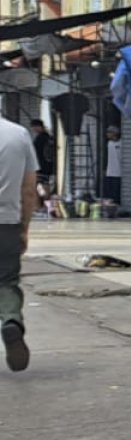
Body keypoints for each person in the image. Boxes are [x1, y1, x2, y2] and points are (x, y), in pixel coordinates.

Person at [1, 117, 36, 371]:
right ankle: (11, 321)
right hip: (6, 224)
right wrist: (24, 227)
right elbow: (28, 189)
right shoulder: (18, 134)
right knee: (6, 282)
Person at [29, 118, 56, 214]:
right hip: (47, 167)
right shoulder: (49, 137)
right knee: (44, 186)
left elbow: (35, 153)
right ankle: (47, 206)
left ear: (38, 127)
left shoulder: (41, 138)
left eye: (34, 127)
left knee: (36, 186)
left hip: (39, 166)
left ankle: (38, 207)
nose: (33, 130)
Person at [101, 126, 123, 206]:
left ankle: (116, 203)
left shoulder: (121, 143)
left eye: (109, 132)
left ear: (114, 133)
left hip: (118, 171)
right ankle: (109, 203)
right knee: (109, 189)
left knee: (116, 189)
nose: (107, 134)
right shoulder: (109, 143)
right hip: (110, 170)